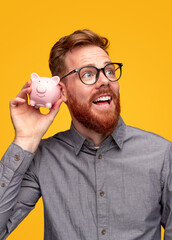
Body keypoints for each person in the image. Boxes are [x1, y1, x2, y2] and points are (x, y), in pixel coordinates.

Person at [0, 29, 171, 240]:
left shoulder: (162, 154)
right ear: (61, 91)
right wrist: (25, 140)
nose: (105, 81)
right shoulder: (42, 158)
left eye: (109, 71)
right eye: (88, 74)